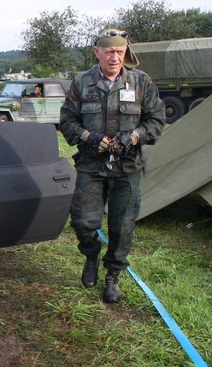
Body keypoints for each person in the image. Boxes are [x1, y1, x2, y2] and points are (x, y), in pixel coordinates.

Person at [59, 29, 166, 303]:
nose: (114, 57)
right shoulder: (82, 83)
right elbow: (68, 121)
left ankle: (113, 277)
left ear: (125, 52)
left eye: (119, 52)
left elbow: (155, 121)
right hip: (91, 165)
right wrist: (88, 137)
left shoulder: (141, 82)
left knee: (122, 226)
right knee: (83, 221)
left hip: (127, 167)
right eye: (109, 52)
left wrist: (132, 137)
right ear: (97, 52)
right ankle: (91, 255)